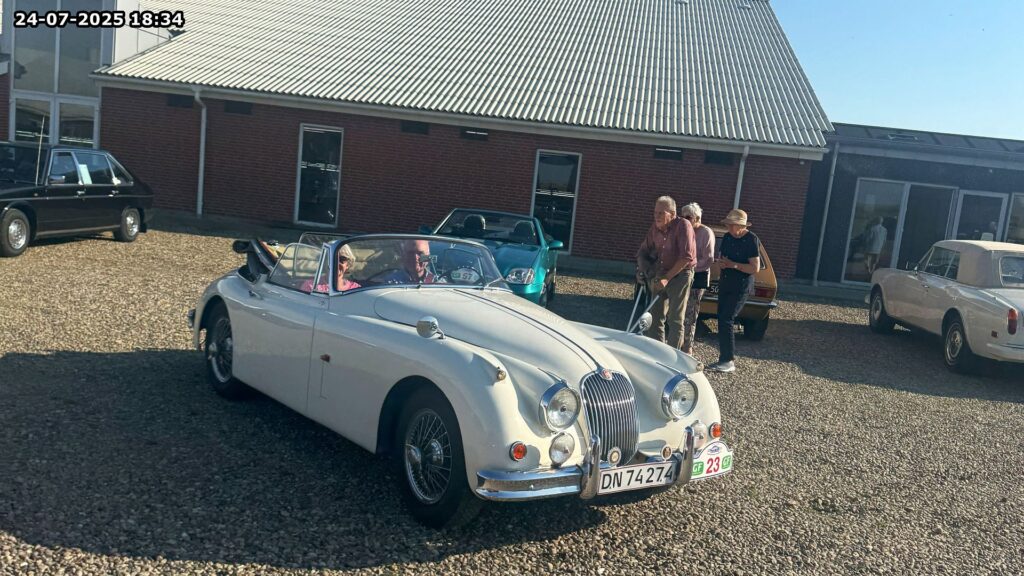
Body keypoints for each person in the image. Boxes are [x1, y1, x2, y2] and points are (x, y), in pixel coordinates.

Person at [635, 196, 696, 349]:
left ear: (672, 214)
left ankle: (673, 356)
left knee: (675, 318)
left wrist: (667, 278)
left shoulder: (683, 225)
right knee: (655, 316)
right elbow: (642, 252)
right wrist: (642, 270)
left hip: (681, 274)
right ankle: (656, 351)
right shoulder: (654, 228)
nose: (657, 216)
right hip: (660, 272)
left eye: (661, 213)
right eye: (655, 212)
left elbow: (686, 257)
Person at [707, 209, 760, 374]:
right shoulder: (728, 237)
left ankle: (728, 360)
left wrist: (734, 265)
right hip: (726, 281)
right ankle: (723, 358)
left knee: (727, 318)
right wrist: (722, 264)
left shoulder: (751, 239)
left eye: (732, 225)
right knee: (721, 317)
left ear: (741, 226)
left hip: (741, 284)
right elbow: (723, 257)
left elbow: (755, 268)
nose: (729, 228)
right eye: (728, 225)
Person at [679, 203, 715, 356]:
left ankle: (687, 347)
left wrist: (690, 267)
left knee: (690, 313)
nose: (685, 220)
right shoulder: (683, 230)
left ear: (697, 218)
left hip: (698, 276)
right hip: (681, 274)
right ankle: (677, 342)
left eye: (688, 217)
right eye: (683, 217)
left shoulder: (706, 233)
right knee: (678, 312)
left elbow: (708, 259)